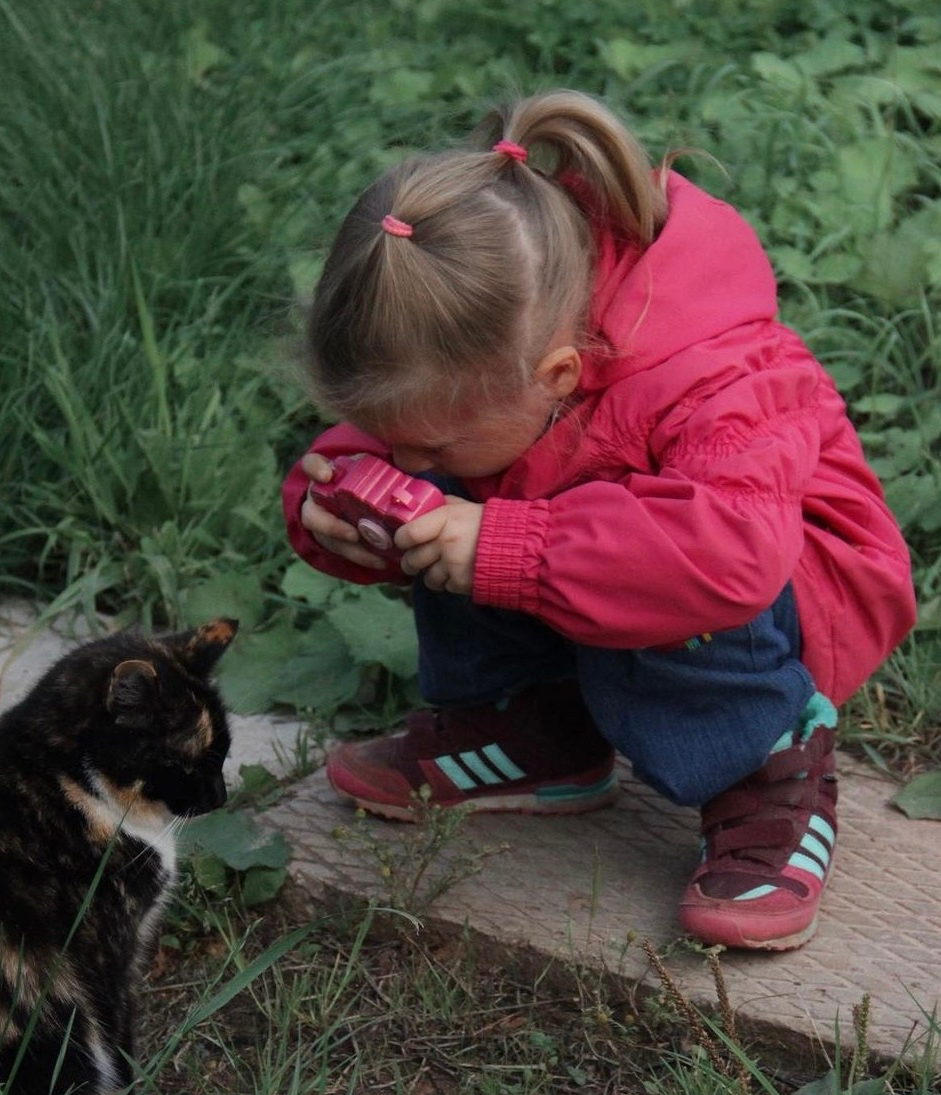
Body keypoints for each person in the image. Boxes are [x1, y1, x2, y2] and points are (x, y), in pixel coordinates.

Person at [282, 89, 916, 952]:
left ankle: (768, 776)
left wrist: (499, 543)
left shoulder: (714, 376)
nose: (409, 458)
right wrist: (334, 504)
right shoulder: (491, 350)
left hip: (782, 580)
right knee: (457, 509)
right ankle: (539, 727)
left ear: (557, 372)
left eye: (424, 440)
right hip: (617, 535)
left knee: (574, 542)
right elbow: (394, 443)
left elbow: (729, 555)